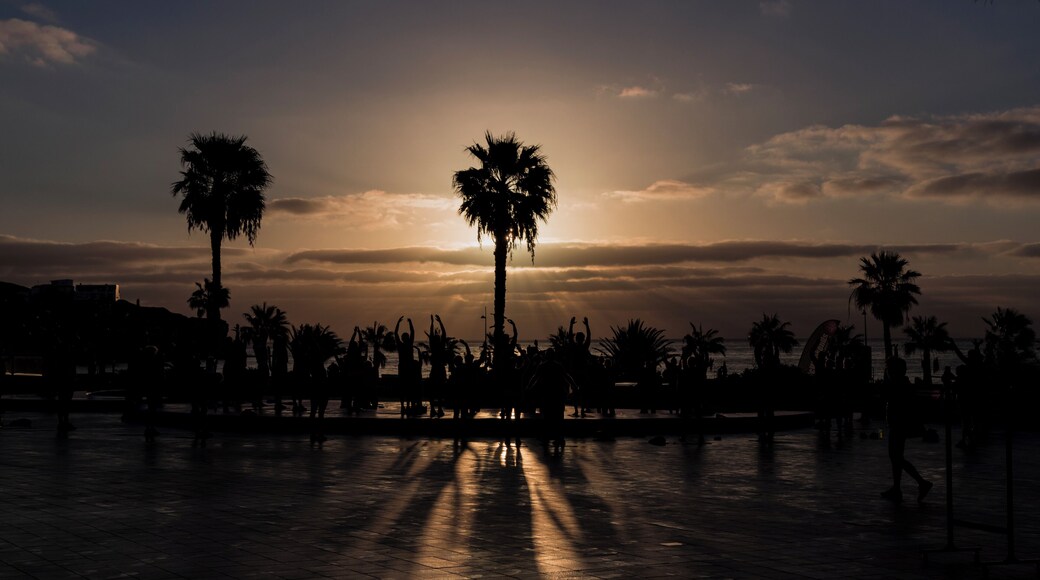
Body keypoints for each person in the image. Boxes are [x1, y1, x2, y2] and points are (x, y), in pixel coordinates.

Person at [881, 356, 932, 503]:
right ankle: (897, 488)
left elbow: (887, 397)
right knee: (896, 457)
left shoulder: (897, 384)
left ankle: (921, 482)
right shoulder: (902, 383)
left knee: (896, 457)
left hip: (898, 424)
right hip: (898, 424)